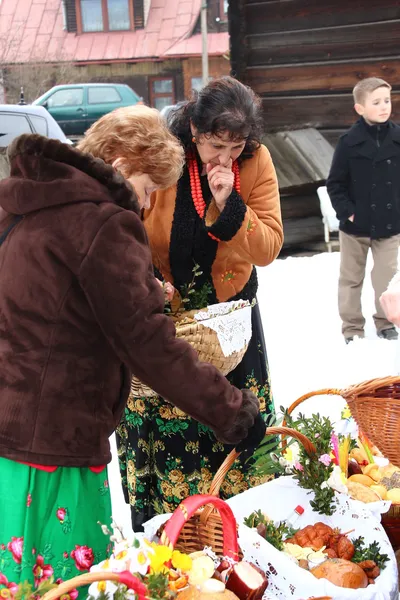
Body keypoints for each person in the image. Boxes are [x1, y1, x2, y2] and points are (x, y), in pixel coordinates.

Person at [0, 105, 264, 594]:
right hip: (59, 440)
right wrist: (233, 411)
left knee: (16, 580)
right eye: (145, 189)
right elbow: (148, 341)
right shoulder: (103, 223)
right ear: (121, 165)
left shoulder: (24, 204)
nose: (143, 206)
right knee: (69, 581)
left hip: (10, 435)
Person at [117, 77, 283, 530]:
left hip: (230, 322)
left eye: (237, 146)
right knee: (168, 420)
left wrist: (231, 206)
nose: (225, 158)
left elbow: (268, 248)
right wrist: (148, 280)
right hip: (164, 319)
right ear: (193, 129)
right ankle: (169, 534)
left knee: (232, 422)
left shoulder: (256, 162)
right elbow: (125, 225)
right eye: (216, 146)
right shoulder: (161, 153)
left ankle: (239, 532)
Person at [326, 77, 400, 344]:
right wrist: (349, 213)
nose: (384, 107)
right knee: (351, 279)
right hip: (356, 227)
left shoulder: (398, 137)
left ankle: (385, 322)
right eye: (376, 102)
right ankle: (352, 327)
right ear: (359, 108)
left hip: (390, 226)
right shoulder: (349, 142)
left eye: (387, 101)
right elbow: (335, 184)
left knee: (387, 279)